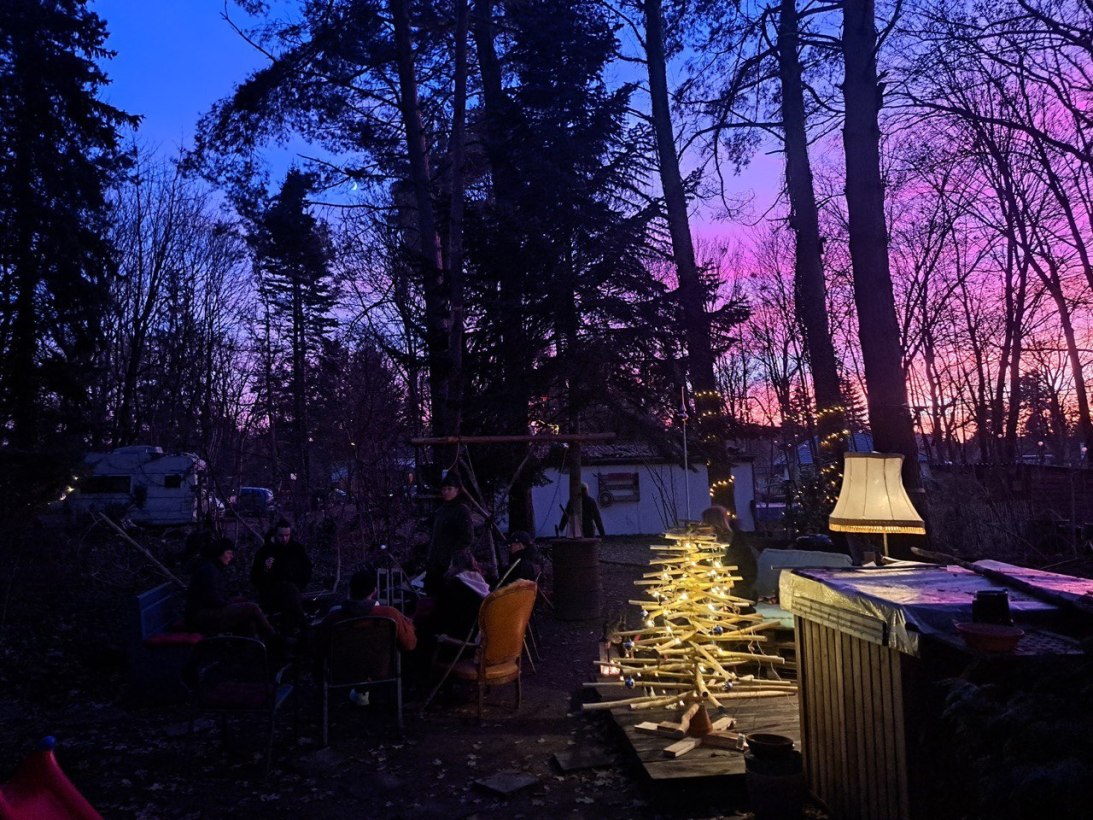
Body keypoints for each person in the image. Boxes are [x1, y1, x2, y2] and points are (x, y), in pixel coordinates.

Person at [185, 537, 274, 638]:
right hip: (200, 616)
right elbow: (213, 600)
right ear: (219, 553)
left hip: (203, 612)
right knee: (252, 608)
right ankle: (274, 638)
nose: (231, 556)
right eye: (229, 553)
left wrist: (234, 601)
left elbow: (216, 596)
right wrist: (230, 603)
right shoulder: (209, 570)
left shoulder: (213, 568)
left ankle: (249, 645)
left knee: (246, 614)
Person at [316, 566, 417, 652]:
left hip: (343, 669)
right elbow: (410, 644)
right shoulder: (390, 614)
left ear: (350, 590)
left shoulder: (333, 618)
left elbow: (319, 648)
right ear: (374, 591)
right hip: (381, 668)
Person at [251, 518, 313, 633]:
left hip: (294, 588)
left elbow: (307, 569)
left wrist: (300, 584)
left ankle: (290, 633)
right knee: (289, 593)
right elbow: (255, 577)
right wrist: (266, 569)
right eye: (281, 535)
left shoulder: (297, 549)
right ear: (275, 534)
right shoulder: (265, 551)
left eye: (287, 535)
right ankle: (303, 628)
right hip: (272, 590)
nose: (284, 539)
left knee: (290, 594)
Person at [424, 472, 474, 595]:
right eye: (444, 489)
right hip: (435, 562)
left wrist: (454, 558)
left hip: (450, 563)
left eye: (449, 489)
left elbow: (467, 537)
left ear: (457, 490)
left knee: (446, 595)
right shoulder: (441, 510)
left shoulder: (461, 510)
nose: (446, 492)